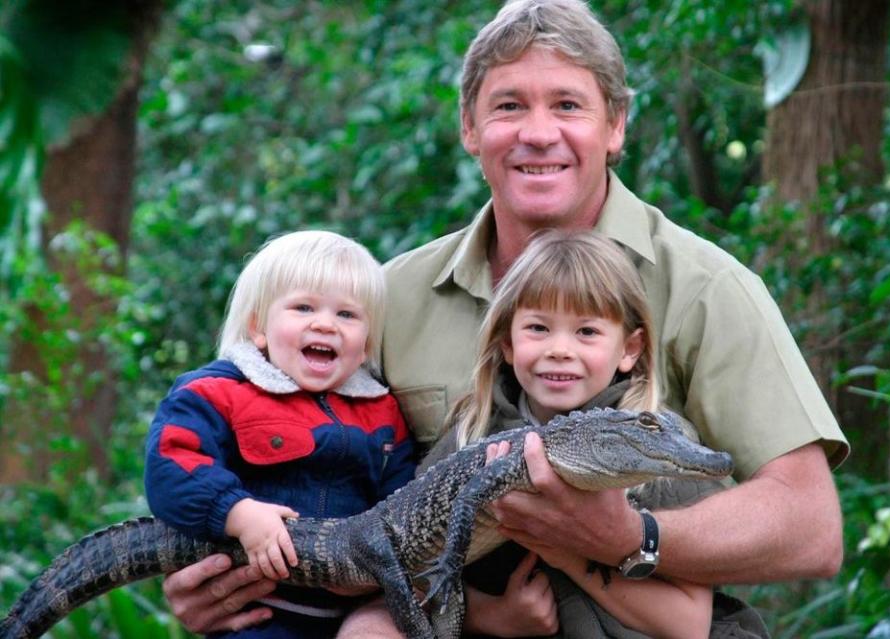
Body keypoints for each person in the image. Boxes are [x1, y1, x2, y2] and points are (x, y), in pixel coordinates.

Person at [161, 0, 849, 636]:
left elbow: (811, 528)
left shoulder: (706, 286)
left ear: (616, 127)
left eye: (569, 105)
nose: (539, 133)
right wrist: (213, 564)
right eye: (510, 105)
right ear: (469, 127)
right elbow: (290, 455)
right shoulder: (386, 295)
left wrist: (628, 538)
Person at [413, 229, 715, 638]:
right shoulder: (471, 433)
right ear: (507, 343)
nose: (560, 349)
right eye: (538, 328)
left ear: (630, 349)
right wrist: (493, 615)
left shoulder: (658, 447)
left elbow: (690, 625)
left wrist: (567, 549)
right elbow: (409, 562)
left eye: (586, 332)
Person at [144, 230, 416, 638]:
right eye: (303, 307)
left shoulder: (383, 411)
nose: (325, 324)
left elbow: (402, 496)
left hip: (356, 615)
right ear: (259, 327)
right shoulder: (217, 392)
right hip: (259, 612)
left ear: (366, 345)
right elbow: (172, 464)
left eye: (347, 315)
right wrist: (238, 512)